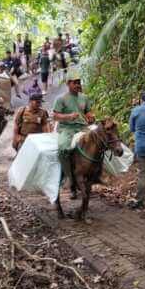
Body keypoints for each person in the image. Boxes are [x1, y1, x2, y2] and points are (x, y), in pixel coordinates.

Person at [53, 68, 94, 200]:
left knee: (101, 142)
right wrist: (68, 116)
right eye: (75, 82)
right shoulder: (61, 99)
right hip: (67, 128)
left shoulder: (84, 98)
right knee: (63, 149)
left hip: (83, 128)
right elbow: (55, 116)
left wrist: (91, 117)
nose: (78, 85)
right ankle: (70, 178)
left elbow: (88, 112)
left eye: (79, 82)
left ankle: (96, 175)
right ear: (68, 84)